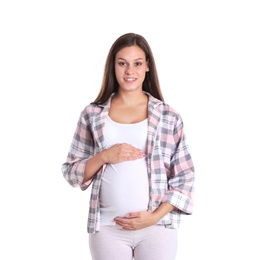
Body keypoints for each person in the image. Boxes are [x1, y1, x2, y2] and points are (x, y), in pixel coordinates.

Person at [61, 32, 195, 260]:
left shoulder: (168, 116)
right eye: (122, 63)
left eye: (137, 63)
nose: (130, 71)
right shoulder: (92, 114)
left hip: (157, 229)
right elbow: (72, 173)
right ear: (113, 66)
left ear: (147, 67)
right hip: (107, 229)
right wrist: (104, 156)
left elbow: (184, 178)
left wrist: (153, 217)